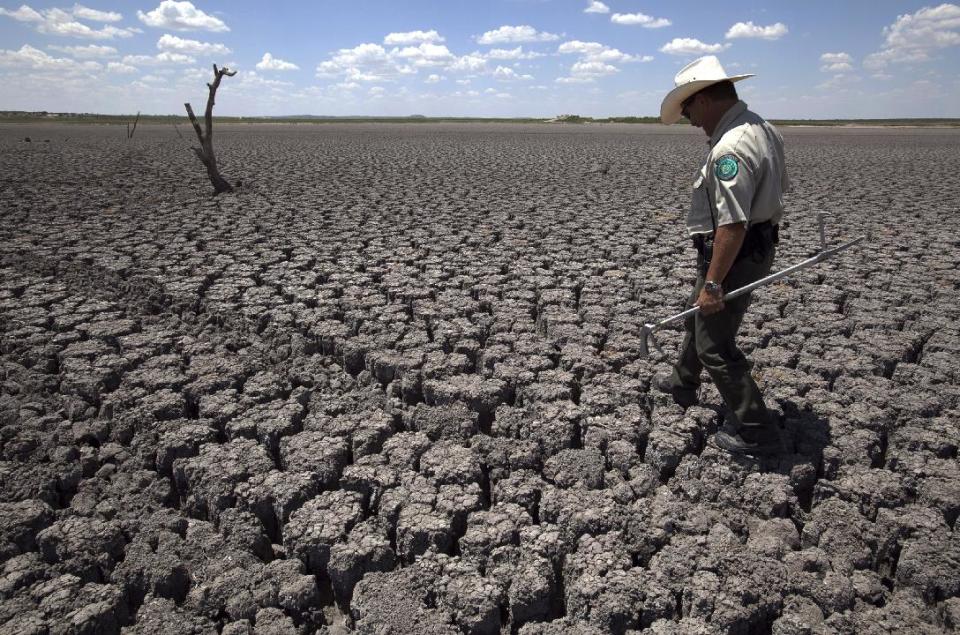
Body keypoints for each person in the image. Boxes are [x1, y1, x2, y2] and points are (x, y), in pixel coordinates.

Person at [655, 55, 789, 456]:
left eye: (689, 108)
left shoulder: (731, 147)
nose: (690, 119)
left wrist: (714, 282)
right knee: (698, 314)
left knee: (715, 343)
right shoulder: (760, 127)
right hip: (744, 249)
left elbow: (733, 223)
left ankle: (755, 430)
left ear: (707, 98)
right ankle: (683, 382)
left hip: (734, 254)